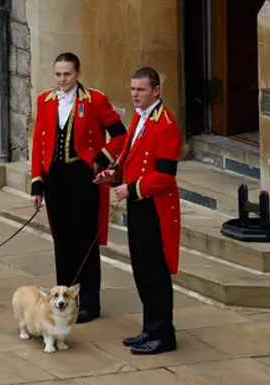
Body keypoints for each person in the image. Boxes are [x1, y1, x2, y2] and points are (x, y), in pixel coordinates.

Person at [30, 52, 127, 324]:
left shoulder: (94, 100)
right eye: (58, 74)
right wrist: (36, 184)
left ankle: (91, 303)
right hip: (55, 178)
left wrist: (101, 160)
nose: (62, 80)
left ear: (78, 74)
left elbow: (120, 134)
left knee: (85, 239)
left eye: (68, 74)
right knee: (62, 239)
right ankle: (65, 299)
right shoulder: (45, 101)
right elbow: (38, 144)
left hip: (83, 176)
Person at [94, 66, 182, 355]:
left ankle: (163, 335)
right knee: (141, 270)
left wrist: (131, 189)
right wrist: (113, 176)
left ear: (156, 91)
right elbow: (129, 159)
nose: (135, 95)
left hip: (155, 209)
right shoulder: (139, 119)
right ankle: (149, 328)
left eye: (141, 89)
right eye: (132, 89)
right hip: (138, 206)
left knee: (155, 272)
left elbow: (165, 176)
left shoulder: (165, 124)